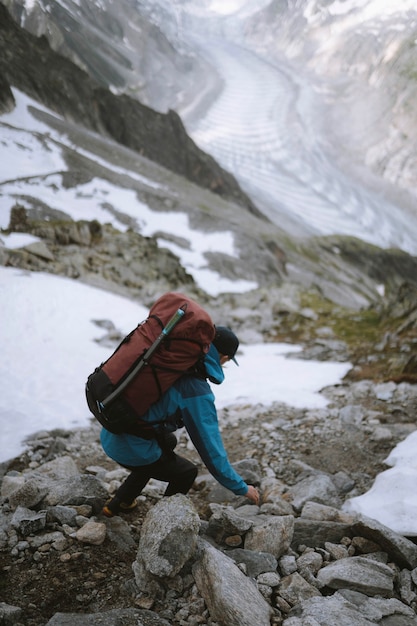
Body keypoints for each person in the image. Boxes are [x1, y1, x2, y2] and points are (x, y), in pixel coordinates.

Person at [99, 326, 260, 517]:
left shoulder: (170, 363)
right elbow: (211, 448)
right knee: (187, 472)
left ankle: (119, 503)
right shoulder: (196, 391)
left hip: (111, 433)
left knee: (168, 442)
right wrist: (241, 487)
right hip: (128, 448)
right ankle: (161, 524)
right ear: (223, 357)